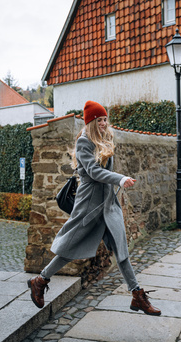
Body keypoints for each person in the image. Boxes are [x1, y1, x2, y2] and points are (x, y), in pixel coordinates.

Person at [27, 100, 161, 316]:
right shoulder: (84, 142)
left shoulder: (106, 139)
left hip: (107, 205)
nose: (104, 123)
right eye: (100, 120)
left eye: (105, 119)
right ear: (91, 122)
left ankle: (137, 295)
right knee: (70, 249)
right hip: (88, 206)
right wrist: (120, 178)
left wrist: (116, 182)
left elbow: (104, 172)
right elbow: (94, 173)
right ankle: (40, 280)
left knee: (121, 250)